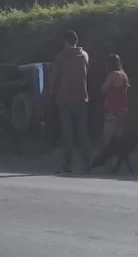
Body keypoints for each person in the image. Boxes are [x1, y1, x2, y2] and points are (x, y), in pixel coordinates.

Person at [51, 30, 90, 173]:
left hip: (65, 98)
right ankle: (87, 162)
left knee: (68, 133)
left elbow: (55, 78)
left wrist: (51, 91)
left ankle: (68, 163)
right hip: (81, 97)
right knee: (82, 132)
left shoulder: (61, 57)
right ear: (76, 41)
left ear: (65, 42)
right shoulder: (85, 55)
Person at [101, 54, 130, 145]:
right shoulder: (124, 75)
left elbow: (103, 89)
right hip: (122, 109)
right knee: (119, 134)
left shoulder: (112, 75)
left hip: (112, 109)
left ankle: (107, 156)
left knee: (107, 135)